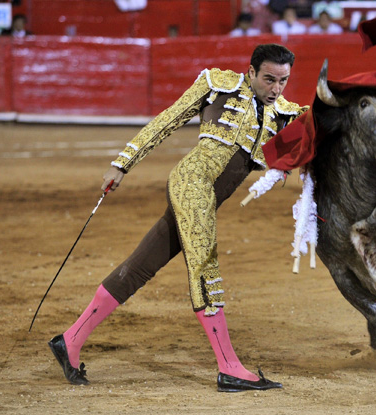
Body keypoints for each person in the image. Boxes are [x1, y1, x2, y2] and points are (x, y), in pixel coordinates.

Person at [48, 43, 308, 392]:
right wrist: (122, 164)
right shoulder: (219, 84)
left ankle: (71, 339)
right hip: (191, 183)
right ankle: (229, 367)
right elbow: (169, 119)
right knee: (204, 263)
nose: (276, 89)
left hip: (208, 198)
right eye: (269, 79)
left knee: (141, 265)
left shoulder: (286, 113)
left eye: (283, 81)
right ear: (250, 72)